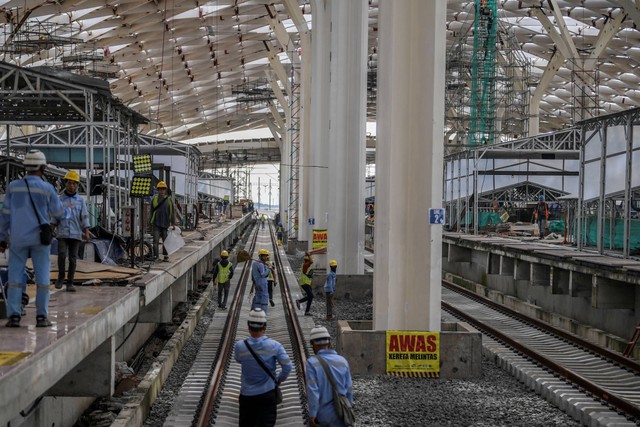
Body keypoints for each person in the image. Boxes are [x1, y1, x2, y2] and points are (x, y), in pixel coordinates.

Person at [0, 150, 65, 327]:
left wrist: (2, 238)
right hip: (39, 239)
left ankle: (14, 316)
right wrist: (51, 223)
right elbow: (59, 213)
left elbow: (5, 215)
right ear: (43, 168)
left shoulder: (13, 187)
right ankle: (41, 317)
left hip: (18, 238)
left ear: (25, 167)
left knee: (14, 277)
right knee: (42, 277)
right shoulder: (47, 189)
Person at [235, 309, 292, 427]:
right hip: (267, 394)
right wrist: (279, 379)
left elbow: (238, 359)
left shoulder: (240, 346)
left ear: (248, 325)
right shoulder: (275, 346)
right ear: (264, 326)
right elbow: (287, 366)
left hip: (247, 396)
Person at [305, 326, 354, 427]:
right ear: (329, 342)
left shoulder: (312, 363)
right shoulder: (342, 361)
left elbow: (313, 391)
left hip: (322, 416)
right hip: (340, 413)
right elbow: (349, 388)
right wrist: (348, 407)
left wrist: (313, 414)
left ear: (313, 344)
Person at [54, 170, 91, 292]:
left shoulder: (80, 201)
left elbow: (84, 216)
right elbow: (55, 216)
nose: (72, 186)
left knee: (73, 258)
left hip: (76, 233)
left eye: (74, 184)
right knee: (62, 255)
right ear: (66, 183)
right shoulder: (59, 200)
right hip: (62, 232)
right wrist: (51, 229)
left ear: (77, 185)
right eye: (70, 183)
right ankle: (60, 278)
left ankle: (70, 282)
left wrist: (86, 232)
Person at [150, 181, 175, 262]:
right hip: (156, 223)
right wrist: (150, 222)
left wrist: (173, 223)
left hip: (165, 223)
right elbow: (151, 211)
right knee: (155, 241)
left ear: (165, 190)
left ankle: (166, 256)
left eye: (163, 189)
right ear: (158, 190)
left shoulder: (169, 200)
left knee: (165, 241)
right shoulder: (154, 199)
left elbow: (172, 212)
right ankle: (156, 256)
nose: (161, 190)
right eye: (160, 189)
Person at [251, 249, 272, 313]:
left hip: (257, 283)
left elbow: (252, 275)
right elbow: (263, 274)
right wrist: (269, 268)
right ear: (260, 256)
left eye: (266, 256)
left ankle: (254, 310)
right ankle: (263, 313)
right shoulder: (260, 264)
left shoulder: (254, 264)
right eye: (264, 256)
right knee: (264, 298)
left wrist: (253, 284)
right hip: (262, 283)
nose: (266, 257)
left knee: (257, 297)